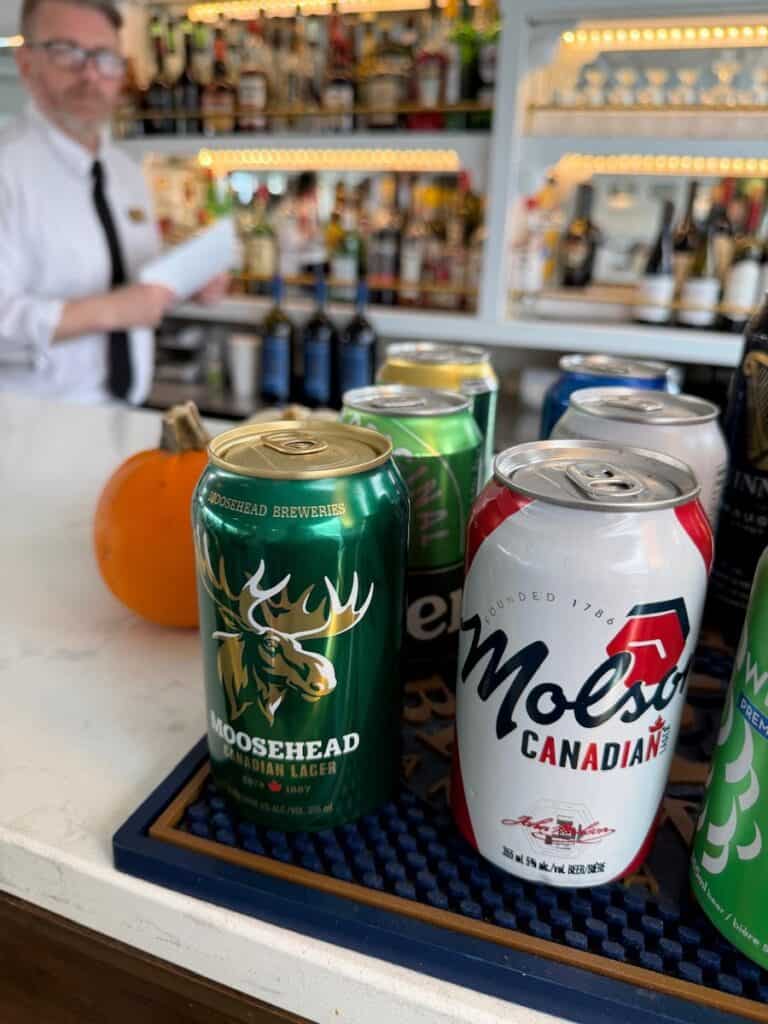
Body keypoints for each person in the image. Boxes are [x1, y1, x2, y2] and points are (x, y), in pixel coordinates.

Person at [0, 0, 227, 405]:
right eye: (65, 51)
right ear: (26, 61)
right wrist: (115, 310)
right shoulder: (6, 170)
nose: (89, 73)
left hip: (127, 411)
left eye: (104, 57)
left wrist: (183, 283)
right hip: (28, 429)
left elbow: (134, 281)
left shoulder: (124, 171)